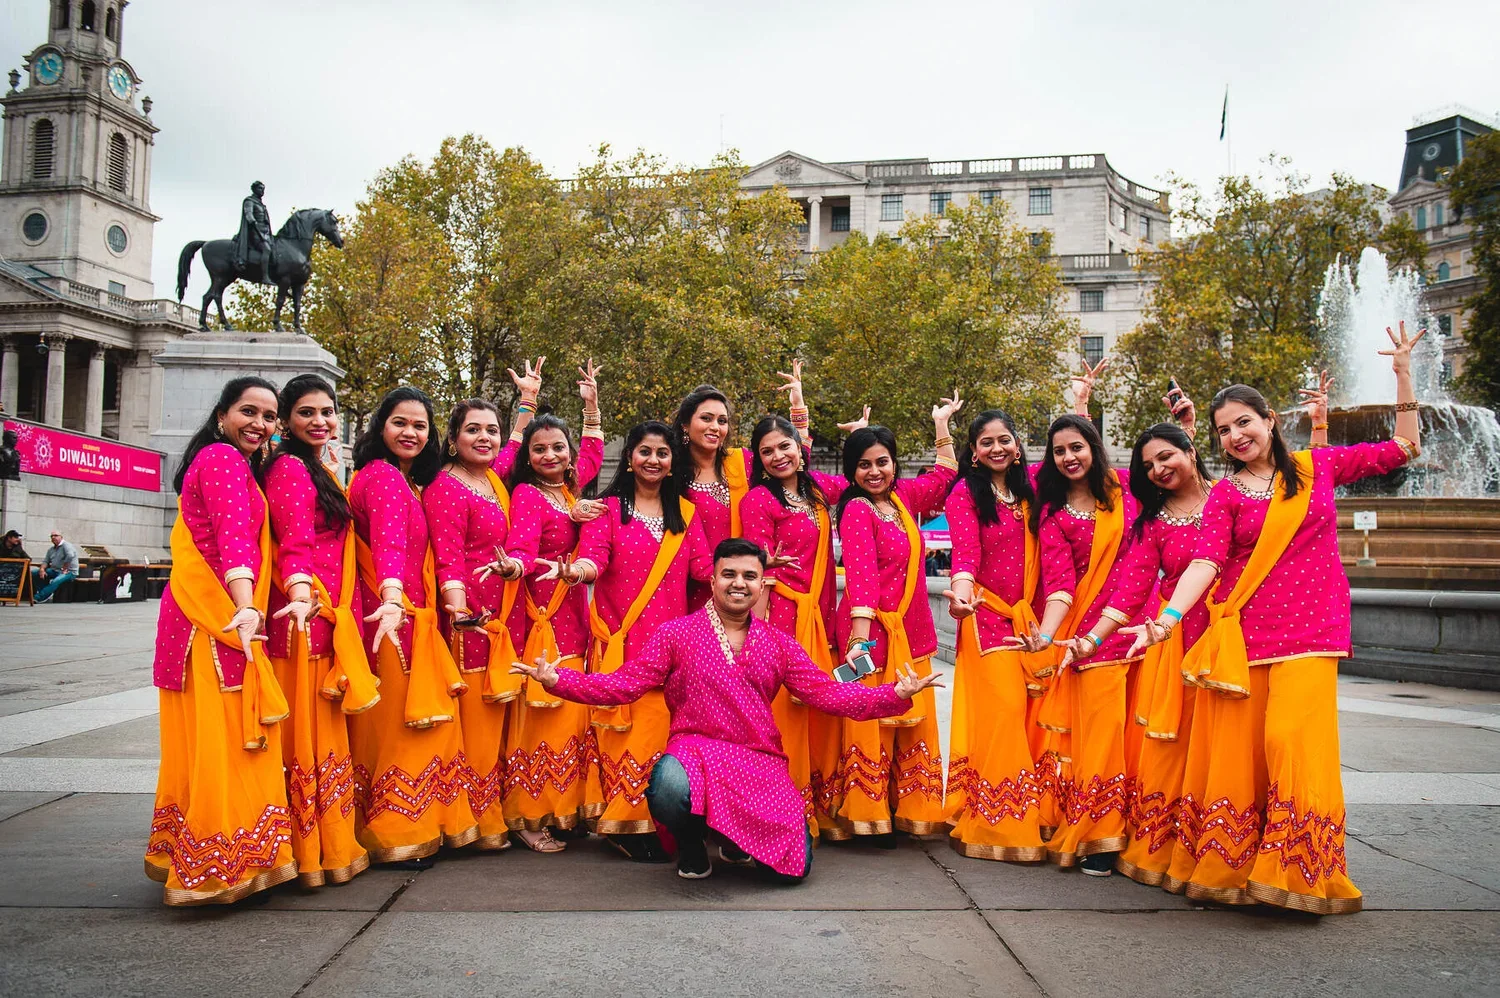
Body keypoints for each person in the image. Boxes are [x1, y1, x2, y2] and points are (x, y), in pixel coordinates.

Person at [1123, 325, 1426, 915]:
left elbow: (1402, 449)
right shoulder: (1226, 495)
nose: (1235, 436)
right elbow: (1207, 561)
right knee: (1247, 756)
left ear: (1269, 420)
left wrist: (1403, 376)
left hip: (1313, 630)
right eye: (1223, 430)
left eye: (1244, 422)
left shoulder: (1318, 469)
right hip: (1244, 635)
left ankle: (1297, 872)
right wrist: (1166, 620)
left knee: (1293, 743)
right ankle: (1238, 871)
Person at [512, 538, 945, 881]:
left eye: (750, 576)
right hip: (695, 753)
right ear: (714, 580)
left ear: (762, 584)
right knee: (667, 786)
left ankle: (734, 836)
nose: (739, 583)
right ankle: (694, 844)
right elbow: (623, 685)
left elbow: (828, 695)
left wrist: (895, 694)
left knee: (792, 873)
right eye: (729, 574)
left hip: (758, 761)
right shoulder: (676, 634)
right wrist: (558, 681)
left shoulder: (778, 643)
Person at [1053, 387, 1217, 885]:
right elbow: (1129, 589)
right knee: (1147, 747)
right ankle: (1124, 839)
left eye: (1166, 457)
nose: (1157, 470)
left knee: (1217, 750)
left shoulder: (1229, 500)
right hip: (1153, 639)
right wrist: (1092, 640)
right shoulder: (1150, 522)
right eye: (1148, 465)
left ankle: (1223, 851)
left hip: (1230, 642)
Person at [144, 376, 296, 905]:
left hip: (201, 616)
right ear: (222, 415)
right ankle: (216, 868)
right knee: (226, 740)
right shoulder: (225, 461)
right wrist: (248, 605)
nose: (259, 423)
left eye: (269, 416)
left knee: (209, 742)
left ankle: (205, 857)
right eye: (248, 412)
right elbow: (235, 543)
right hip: (218, 621)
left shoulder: (214, 462)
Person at [545, 420, 713, 862]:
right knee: (624, 737)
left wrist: (745, 569)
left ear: (672, 460)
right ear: (630, 457)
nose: (653, 460)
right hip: (621, 641)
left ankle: (653, 821)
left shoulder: (686, 513)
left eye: (661, 452)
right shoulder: (607, 509)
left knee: (659, 733)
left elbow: (701, 568)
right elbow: (592, 559)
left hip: (671, 648)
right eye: (644, 451)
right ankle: (623, 824)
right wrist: (574, 572)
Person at [347, 387, 478, 866]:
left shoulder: (404, 480)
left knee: (409, 726)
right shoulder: (382, 478)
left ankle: (408, 825)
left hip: (404, 616)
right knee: (410, 727)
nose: (411, 433)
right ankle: (400, 831)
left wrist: (525, 413)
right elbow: (388, 548)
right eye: (401, 422)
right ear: (380, 426)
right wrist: (393, 601)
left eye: (420, 426)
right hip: (394, 621)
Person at [1011, 412, 1146, 875]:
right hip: (1091, 640)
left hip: (1145, 628)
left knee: (1141, 737)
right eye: (1059, 451)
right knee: (1102, 739)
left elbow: (1177, 474)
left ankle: (1145, 833)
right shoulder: (1053, 515)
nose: (1069, 457)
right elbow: (1062, 586)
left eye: (1077, 447)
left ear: (1094, 446)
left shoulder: (1127, 490)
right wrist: (1047, 637)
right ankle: (1098, 836)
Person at [832, 395, 962, 844]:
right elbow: (862, 578)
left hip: (915, 632)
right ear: (851, 471)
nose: (874, 472)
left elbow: (947, 474)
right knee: (873, 723)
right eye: (864, 464)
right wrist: (860, 644)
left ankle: (908, 809)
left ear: (894, 464)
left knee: (912, 723)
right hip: (872, 636)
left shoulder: (904, 498)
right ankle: (869, 815)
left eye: (882, 462)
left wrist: (941, 422)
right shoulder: (855, 509)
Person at [262, 374, 374, 887]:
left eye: (327, 412)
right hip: (302, 621)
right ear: (286, 420)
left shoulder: (318, 467)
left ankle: (320, 847)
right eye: (307, 412)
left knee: (320, 736)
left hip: (322, 619)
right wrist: (304, 598)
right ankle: (307, 852)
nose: (320, 421)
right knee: (304, 737)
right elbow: (295, 543)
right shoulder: (288, 468)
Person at [739, 404, 866, 836]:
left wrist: (859, 437)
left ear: (800, 448)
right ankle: (782, 812)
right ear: (758, 459)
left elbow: (862, 477)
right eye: (767, 451)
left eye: (785, 446)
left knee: (823, 709)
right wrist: (753, 640)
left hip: (820, 614)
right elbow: (758, 575)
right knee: (784, 714)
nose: (778, 456)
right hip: (782, 616)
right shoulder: (758, 499)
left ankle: (822, 805)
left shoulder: (816, 492)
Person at [425, 398, 539, 852]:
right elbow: (448, 557)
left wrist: (528, 403)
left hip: (504, 616)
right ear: (452, 439)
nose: (486, 438)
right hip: (470, 619)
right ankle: (469, 820)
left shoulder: (492, 477)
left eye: (491, 430)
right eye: (473, 430)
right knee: (476, 720)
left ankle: (492, 808)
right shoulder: (446, 487)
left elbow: (512, 447)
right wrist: (458, 612)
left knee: (497, 716)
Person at [503, 360, 608, 848]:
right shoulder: (527, 493)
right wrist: (516, 568)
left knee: (571, 710)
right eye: (538, 448)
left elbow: (593, 450)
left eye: (556, 448)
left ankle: (566, 808)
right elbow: (523, 548)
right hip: (541, 610)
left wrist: (590, 403)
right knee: (544, 716)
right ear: (528, 454)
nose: (548, 454)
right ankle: (530, 818)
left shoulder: (571, 488)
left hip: (573, 611)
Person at [940, 409, 1050, 862]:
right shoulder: (965, 493)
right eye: (986, 442)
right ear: (974, 452)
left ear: (1018, 446)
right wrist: (959, 597)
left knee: (1034, 716)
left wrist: (1083, 408)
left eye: (1004, 439)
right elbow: (965, 555)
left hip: (1035, 619)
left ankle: (1038, 810)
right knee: (1004, 713)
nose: (997, 448)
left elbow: (1086, 461)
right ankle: (1001, 824)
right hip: (985, 617)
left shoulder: (1035, 488)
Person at [670, 367, 806, 609]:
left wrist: (798, 408)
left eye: (722, 421)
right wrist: (582, 505)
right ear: (684, 425)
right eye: (706, 418)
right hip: (696, 592)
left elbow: (792, 462)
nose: (715, 427)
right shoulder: (671, 474)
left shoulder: (742, 462)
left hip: (747, 589)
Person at [234, 181, 274, 285]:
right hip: (255, 232)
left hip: (265, 232)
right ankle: (265, 276)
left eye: (263, 189)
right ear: (254, 189)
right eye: (260, 188)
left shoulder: (261, 204)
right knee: (267, 249)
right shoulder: (249, 201)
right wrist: (252, 220)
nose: (262, 191)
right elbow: (249, 214)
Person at [34, 529, 81, 603]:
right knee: (34, 573)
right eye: (51, 536)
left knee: (56, 581)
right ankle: (45, 593)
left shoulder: (66, 545)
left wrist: (65, 567)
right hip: (54, 570)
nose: (53, 537)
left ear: (61, 537)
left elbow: (70, 555)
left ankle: (38, 597)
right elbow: (46, 561)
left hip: (69, 572)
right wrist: (42, 569)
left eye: (56, 535)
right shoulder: (51, 549)